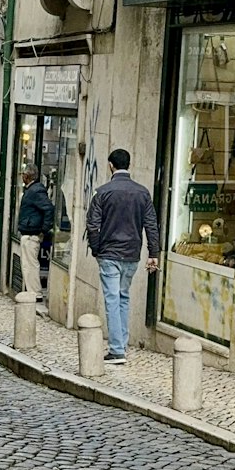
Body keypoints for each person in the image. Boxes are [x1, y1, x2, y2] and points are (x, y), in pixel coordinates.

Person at [85, 148, 160, 363]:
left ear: (110, 165)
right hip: (132, 254)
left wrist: (96, 249)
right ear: (130, 165)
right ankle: (122, 344)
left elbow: (92, 225)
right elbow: (151, 225)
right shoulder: (142, 193)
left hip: (109, 253)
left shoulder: (102, 192)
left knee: (112, 299)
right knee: (123, 297)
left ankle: (117, 350)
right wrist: (153, 253)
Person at [17, 164, 54, 307]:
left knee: (30, 265)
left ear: (28, 176)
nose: (22, 177)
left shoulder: (36, 191)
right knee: (28, 264)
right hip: (29, 231)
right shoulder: (32, 190)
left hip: (32, 233)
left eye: (23, 174)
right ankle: (32, 291)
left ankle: (35, 293)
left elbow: (48, 208)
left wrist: (43, 229)